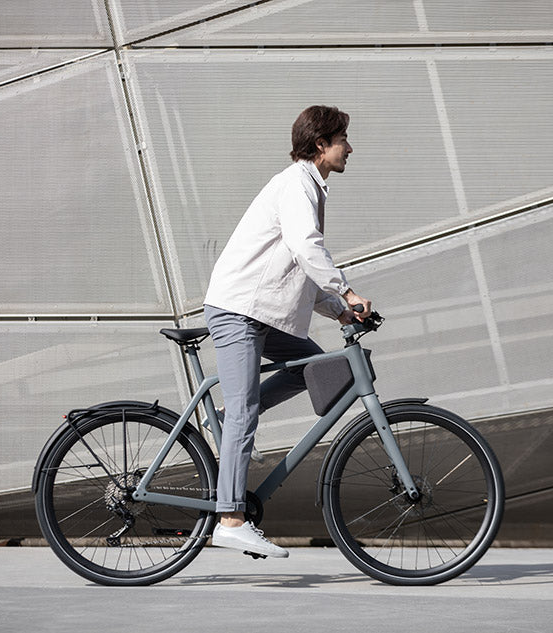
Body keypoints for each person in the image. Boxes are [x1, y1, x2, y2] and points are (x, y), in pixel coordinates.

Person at [204, 105, 372, 558]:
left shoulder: (308, 187)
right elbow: (306, 247)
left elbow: (296, 268)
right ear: (321, 145)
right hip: (239, 310)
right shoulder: (297, 184)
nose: (350, 148)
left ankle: (218, 419)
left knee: (309, 368)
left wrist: (338, 310)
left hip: (261, 311)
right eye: (343, 140)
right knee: (246, 412)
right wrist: (348, 290)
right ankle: (231, 519)